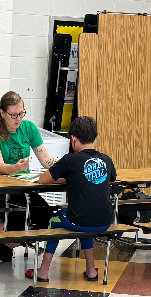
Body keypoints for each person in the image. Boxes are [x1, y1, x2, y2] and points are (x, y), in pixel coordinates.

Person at [30, 116, 116, 283]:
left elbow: (43, 180)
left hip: (81, 220)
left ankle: (43, 271)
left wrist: (70, 178)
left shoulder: (70, 160)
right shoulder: (106, 159)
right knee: (85, 219)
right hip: (105, 220)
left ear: (74, 138)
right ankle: (91, 271)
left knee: (55, 221)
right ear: (94, 137)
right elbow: (111, 179)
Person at [0, 91, 58, 263]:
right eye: (14, 115)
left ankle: (5, 245)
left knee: (48, 218)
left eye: (21, 113)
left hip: (23, 188)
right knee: (19, 218)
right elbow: (0, 166)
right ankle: (7, 244)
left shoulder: (29, 128)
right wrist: (15, 168)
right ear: (2, 113)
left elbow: (46, 159)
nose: (18, 118)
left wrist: (64, 165)